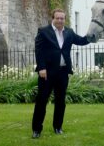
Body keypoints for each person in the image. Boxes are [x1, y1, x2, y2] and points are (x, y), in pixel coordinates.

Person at [32, 8, 89, 139]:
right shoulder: (43, 31)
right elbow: (38, 50)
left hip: (63, 72)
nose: (59, 20)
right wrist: (41, 68)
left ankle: (58, 127)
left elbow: (81, 41)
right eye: (57, 18)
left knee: (60, 101)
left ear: (65, 19)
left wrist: (92, 36)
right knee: (41, 101)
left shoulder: (69, 32)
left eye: (62, 18)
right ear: (53, 18)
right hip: (46, 73)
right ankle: (36, 130)